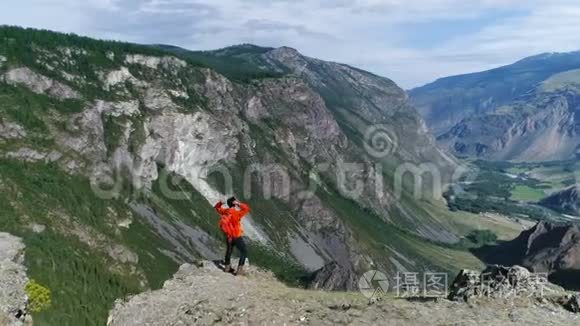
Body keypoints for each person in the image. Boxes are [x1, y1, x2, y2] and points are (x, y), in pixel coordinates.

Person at [214, 196, 250, 275]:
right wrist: (239, 204)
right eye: (236, 201)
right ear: (234, 204)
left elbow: (216, 208)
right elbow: (246, 209)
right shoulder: (236, 213)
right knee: (244, 251)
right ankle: (239, 270)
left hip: (228, 236)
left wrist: (220, 203)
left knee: (229, 251)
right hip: (236, 236)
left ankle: (227, 268)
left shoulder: (225, 211)